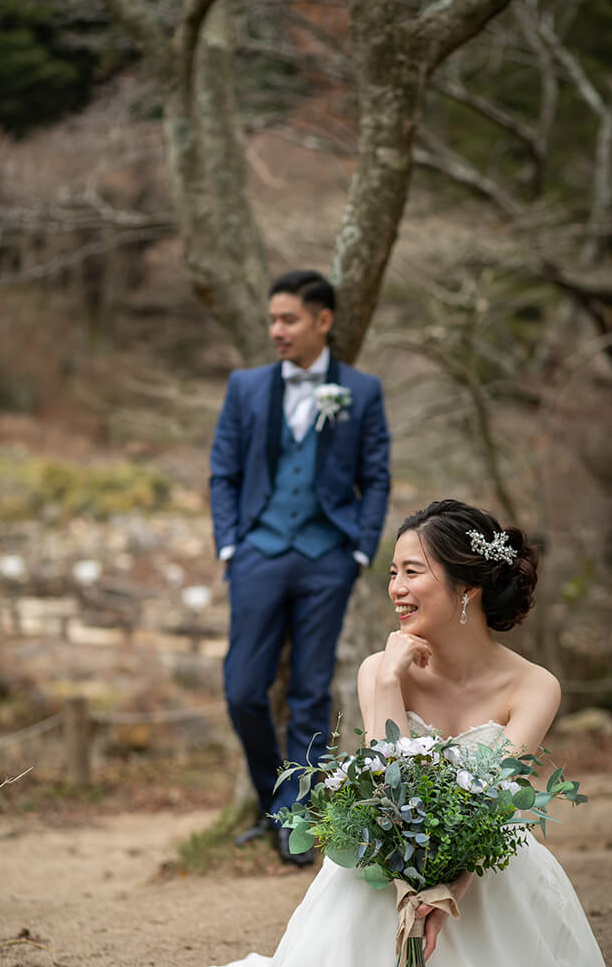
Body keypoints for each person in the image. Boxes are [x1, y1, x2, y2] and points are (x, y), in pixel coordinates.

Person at [207, 499, 605, 966]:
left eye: (412, 572)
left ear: (467, 588)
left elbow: (496, 809)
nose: (396, 588)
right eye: (393, 573)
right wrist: (390, 682)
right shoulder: (379, 670)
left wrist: (444, 894)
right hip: (383, 870)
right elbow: (384, 795)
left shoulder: (535, 687)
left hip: (487, 870)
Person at [209, 270, 391, 864]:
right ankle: (273, 803)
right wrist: (231, 546)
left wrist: (360, 550)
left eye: (287, 319)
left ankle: (299, 825)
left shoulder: (361, 392)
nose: (276, 331)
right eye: (272, 320)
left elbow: (376, 474)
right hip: (257, 553)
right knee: (242, 690)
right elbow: (224, 472)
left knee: (312, 692)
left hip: (327, 560)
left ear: (323, 320)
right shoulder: (245, 386)